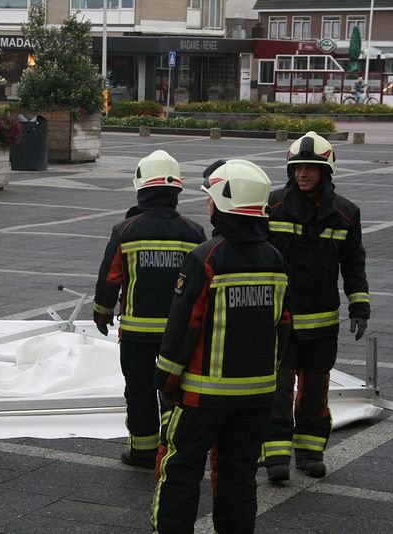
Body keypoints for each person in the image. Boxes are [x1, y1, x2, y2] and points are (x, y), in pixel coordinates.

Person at [151, 159, 291, 534]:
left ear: (223, 204)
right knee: (238, 475)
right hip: (257, 396)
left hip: (202, 396)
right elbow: (283, 326)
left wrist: (165, 378)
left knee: (179, 469)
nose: (208, 205)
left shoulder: (206, 258)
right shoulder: (275, 260)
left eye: (211, 198)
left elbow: (182, 327)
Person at [263, 131, 370, 482]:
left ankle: (310, 452)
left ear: (326, 171)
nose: (302, 174)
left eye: (309, 168)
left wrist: (359, 306)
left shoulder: (345, 214)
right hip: (281, 320)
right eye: (297, 168)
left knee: (315, 389)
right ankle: (275, 455)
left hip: (323, 324)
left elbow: (353, 263)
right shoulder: (273, 207)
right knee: (278, 388)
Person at [93, 150, 206, 469]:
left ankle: (142, 450)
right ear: (176, 191)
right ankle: (172, 445)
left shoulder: (125, 230)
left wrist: (101, 313)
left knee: (139, 389)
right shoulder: (194, 232)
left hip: (137, 332)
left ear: (141, 188)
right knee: (175, 389)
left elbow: (110, 277)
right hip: (178, 332)